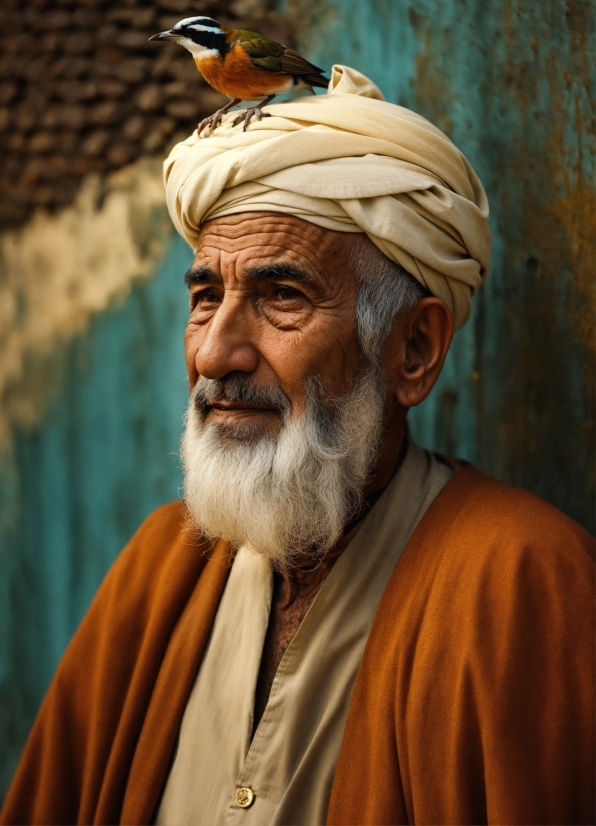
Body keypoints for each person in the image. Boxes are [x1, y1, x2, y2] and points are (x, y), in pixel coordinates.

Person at [1, 65, 593, 826]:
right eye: (205, 296)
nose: (215, 354)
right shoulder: (156, 574)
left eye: (283, 296)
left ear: (413, 350)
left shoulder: (524, 585)